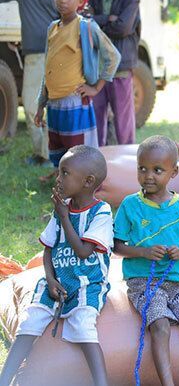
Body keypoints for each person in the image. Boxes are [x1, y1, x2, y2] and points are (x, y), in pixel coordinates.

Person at [0, 145, 112, 386]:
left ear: (88, 181)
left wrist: (64, 216)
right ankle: (4, 379)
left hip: (86, 282)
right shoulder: (62, 208)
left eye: (64, 172)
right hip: (57, 279)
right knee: (29, 320)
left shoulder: (101, 212)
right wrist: (50, 279)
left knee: (83, 325)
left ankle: (101, 382)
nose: (58, 178)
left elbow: (83, 252)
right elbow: (48, 249)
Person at [113, 135, 179, 386]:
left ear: (174, 172)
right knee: (159, 325)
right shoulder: (129, 205)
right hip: (144, 282)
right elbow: (116, 246)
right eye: (142, 169)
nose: (148, 176)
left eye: (157, 170)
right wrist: (144, 252)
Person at [34, 0, 120, 168]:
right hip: (54, 103)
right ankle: (60, 184)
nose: (63, 1)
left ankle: (79, 192)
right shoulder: (52, 28)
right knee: (58, 151)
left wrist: (96, 88)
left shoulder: (86, 27)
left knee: (78, 156)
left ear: (80, 1)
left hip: (74, 102)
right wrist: (41, 104)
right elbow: (48, 70)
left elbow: (113, 56)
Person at [0, 0, 59, 167]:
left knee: (54, 106)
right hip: (33, 56)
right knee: (32, 104)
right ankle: (42, 154)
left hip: (56, 56)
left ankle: (49, 155)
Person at [87, 0, 140, 146]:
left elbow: (124, 27)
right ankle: (98, 164)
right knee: (97, 121)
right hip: (99, 67)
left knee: (123, 123)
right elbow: (87, 23)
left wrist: (99, 25)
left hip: (120, 68)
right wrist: (106, 19)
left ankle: (129, 163)